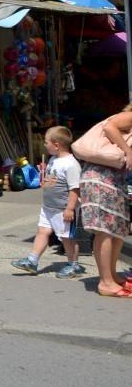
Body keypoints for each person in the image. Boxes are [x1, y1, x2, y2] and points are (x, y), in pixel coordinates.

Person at [11, 126, 83, 278]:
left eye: (46, 142)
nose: (44, 145)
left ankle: (73, 264)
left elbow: (75, 189)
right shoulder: (53, 159)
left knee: (66, 238)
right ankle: (32, 260)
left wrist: (70, 209)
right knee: (42, 231)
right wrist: (44, 173)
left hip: (63, 209)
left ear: (56, 144)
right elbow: (50, 182)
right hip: (48, 206)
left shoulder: (71, 164)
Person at [77, 107, 132, 297]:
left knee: (116, 230)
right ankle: (105, 282)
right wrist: (127, 151)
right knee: (105, 231)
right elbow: (110, 127)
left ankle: (112, 275)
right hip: (100, 176)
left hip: (114, 179)